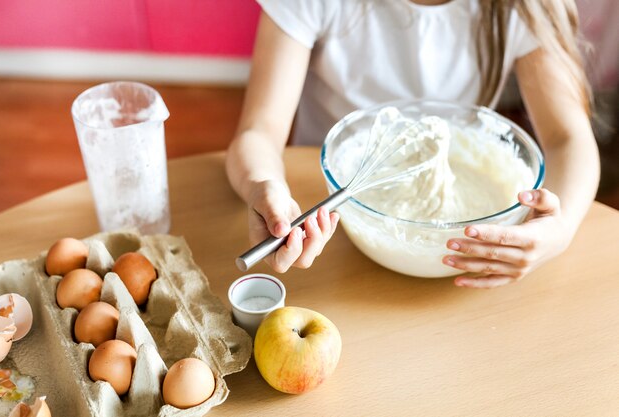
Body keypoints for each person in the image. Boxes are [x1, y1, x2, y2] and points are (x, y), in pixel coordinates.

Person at [225, 0, 600, 288]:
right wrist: (264, 184)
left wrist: (560, 229)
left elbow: (569, 139)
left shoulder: (518, 6)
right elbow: (258, 131)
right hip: (334, 218)